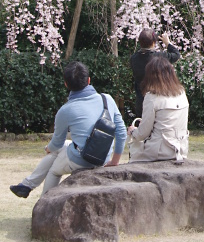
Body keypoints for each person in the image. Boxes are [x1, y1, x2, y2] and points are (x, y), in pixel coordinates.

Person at [10, 61, 127, 199]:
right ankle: (26, 185)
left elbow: (56, 144)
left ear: (66, 84)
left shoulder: (65, 110)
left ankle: (44, 204)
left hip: (82, 158)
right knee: (63, 147)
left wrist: (48, 149)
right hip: (104, 156)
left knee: (53, 169)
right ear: (89, 80)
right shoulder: (107, 99)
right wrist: (114, 161)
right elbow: (121, 132)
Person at [127, 54, 189, 163]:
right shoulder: (181, 93)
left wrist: (133, 132)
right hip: (180, 149)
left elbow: (143, 133)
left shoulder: (152, 97)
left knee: (134, 156)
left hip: (159, 151)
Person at [130, 28, 180, 118]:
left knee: (142, 129)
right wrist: (168, 43)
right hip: (158, 101)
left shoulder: (134, 59)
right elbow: (176, 55)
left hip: (141, 102)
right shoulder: (159, 57)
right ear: (154, 42)